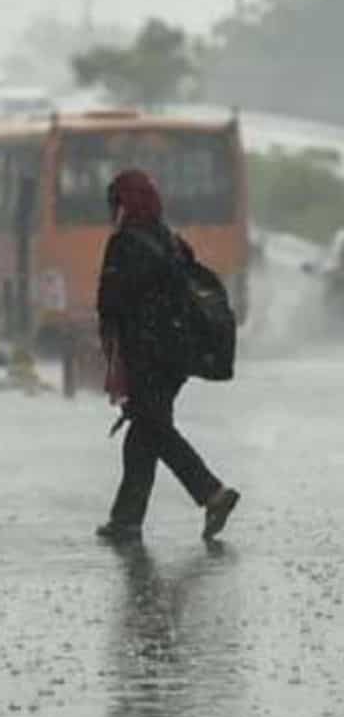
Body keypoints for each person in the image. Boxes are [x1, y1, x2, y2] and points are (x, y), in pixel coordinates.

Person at [96, 169, 240, 543]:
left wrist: (111, 351)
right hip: (178, 356)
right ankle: (126, 520)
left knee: (155, 429)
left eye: (115, 203)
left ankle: (212, 492)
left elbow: (110, 303)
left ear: (125, 205)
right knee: (144, 431)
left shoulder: (124, 244)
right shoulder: (171, 241)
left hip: (145, 355)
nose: (112, 211)